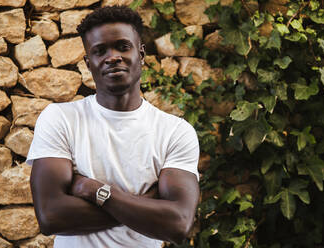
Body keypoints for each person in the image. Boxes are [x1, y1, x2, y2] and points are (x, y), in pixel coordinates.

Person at [26, 5, 200, 248]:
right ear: (88, 62)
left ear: (141, 54)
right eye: (100, 51)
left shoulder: (174, 132)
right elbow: (51, 216)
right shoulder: (61, 119)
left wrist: (92, 189)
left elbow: (178, 224)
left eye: (123, 46)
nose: (112, 56)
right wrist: (141, 205)